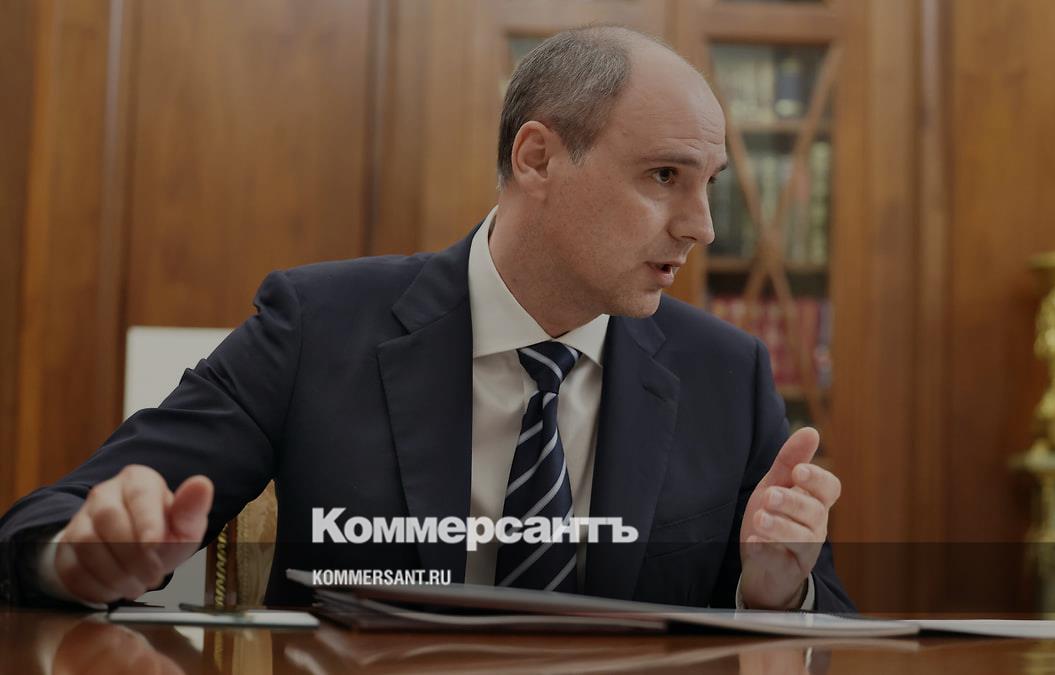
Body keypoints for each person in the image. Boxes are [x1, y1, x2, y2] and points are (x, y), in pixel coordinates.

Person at [0, 25, 854, 613]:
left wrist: (774, 592)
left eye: (710, 185)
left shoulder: (727, 373)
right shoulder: (315, 326)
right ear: (538, 157)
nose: (701, 227)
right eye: (665, 176)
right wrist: (82, 555)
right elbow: (44, 523)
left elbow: (834, 627)